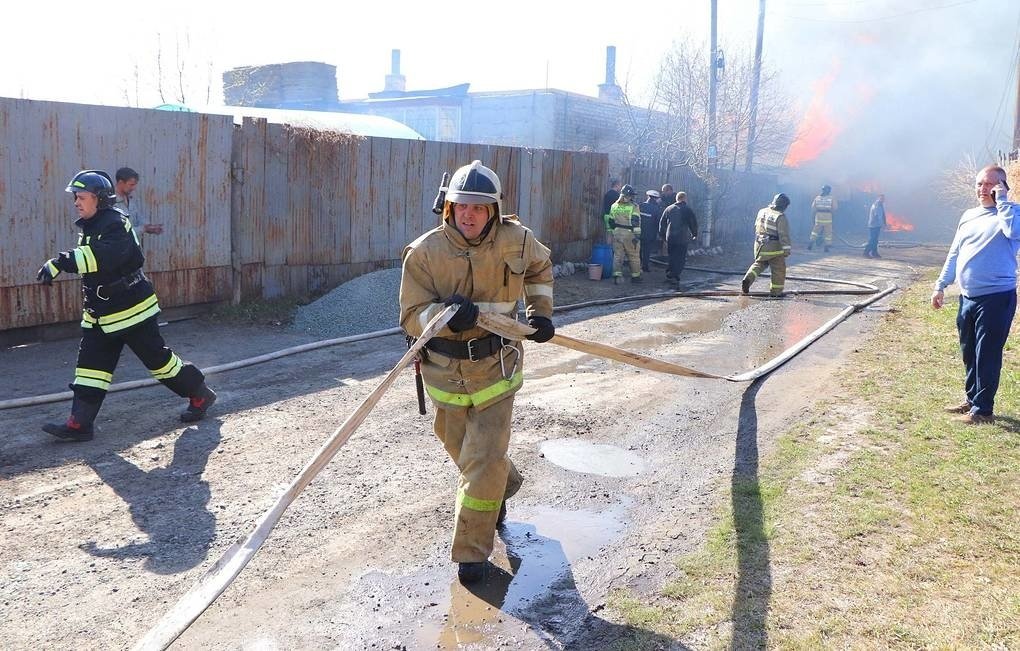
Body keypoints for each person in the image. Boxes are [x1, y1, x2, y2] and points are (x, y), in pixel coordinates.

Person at [399, 160, 555, 583]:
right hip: (443, 374)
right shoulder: (424, 253)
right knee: (467, 452)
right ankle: (501, 482)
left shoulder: (518, 241)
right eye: (460, 206)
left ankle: (471, 554)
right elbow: (411, 316)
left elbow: (540, 269)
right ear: (447, 208)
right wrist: (446, 316)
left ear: (494, 211)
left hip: (496, 369)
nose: (468, 214)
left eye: (478, 208)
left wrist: (540, 313)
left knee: (483, 457)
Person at [36, 170, 217, 442]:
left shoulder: (115, 223)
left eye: (81, 197)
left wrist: (59, 262)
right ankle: (80, 423)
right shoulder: (92, 224)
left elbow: (102, 257)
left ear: (99, 199)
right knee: (90, 369)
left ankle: (200, 393)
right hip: (101, 315)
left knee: (160, 363)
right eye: (75, 197)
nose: (76, 202)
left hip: (132, 312)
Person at [931, 165, 1020, 425]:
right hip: (967, 296)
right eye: (980, 184)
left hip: (996, 298)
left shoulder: (1012, 213)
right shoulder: (968, 215)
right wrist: (940, 285)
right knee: (969, 351)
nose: (984, 189)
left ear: (1002, 187)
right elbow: (954, 253)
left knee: (987, 353)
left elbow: (1013, 233)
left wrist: (1002, 201)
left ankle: (983, 411)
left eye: (991, 184)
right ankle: (972, 399)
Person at [741, 193, 792, 297]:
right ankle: (776, 293)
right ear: (784, 206)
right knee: (778, 269)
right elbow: (784, 235)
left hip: (760, 245)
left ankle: (748, 279)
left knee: (759, 264)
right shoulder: (780, 216)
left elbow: (756, 227)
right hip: (774, 249)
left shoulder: (762, 211)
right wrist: (786, 250)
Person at [658, 191, 698, 286]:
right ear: (685, 199)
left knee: (671, 256)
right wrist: (694, 234)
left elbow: (662, 223)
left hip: (670, 237)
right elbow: (693, 223)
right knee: (680, 258)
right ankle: (675, 275)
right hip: (682, 238)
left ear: (677, 199)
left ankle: (670, 274)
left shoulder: (669, 209)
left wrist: (663, 236)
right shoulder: (688, 210)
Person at [114, 167, 163, 241]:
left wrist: (149, 226)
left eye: (135, 185)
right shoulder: (111, 203)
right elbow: (120, 232)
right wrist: (143, 229)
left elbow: (137, 216)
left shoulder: (129, 199)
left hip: (132, 247)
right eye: (131, 185)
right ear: (120, 182)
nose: (134, 188)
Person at [608, 184, 643, 283]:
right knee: (634, 255)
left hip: (617, 233)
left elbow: (611, 221)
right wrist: (637, 236)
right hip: (629, 234)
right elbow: (635, 221)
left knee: (618, 255)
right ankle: (635, 277)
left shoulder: (614, 205)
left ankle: (616, 275)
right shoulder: (634, 207)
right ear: (628, 195)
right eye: (631, 195)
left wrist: (614, 232)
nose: (632, 197)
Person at [638, 189, 664, 272]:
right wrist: (660, 233)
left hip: (638, 232)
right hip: (650, 234)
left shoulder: (640, 206)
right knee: (647, 251)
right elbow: (658, 222)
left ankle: (637, 266)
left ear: (648, 196)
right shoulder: (657, 209)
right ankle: (645, 267)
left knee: (638, 250)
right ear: (656, 198)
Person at [808, 184, 836, 252]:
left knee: (815, 231)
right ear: (829, 191)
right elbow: (834, 208)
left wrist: (813, 217)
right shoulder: (831, 198)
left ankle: (811, 243)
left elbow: (813, 208)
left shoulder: (817, 197)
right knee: (828, 233)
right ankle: (826, 246)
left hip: (818, 216)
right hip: (828, 217)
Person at [864, 194, 886, 258]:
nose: (883, 200)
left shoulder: (880, 205)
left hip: (877, 225)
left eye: (883, 199)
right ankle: (866, 252)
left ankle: (874, 252)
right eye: (881, 198)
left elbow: (882, 214)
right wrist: (881, 224)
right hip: (874, 225)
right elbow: (877, 216)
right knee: (872, 240)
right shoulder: (876, 205)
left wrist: (884, 223)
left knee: (875, 240)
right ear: (878, 198)